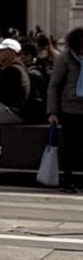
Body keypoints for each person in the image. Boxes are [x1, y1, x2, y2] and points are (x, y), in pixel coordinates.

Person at [48, 27, 83, 192]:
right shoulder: (65, 58)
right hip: (70, 109)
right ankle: (67, 180)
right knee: (70, 147)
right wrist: (52, 112)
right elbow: (54, 85)